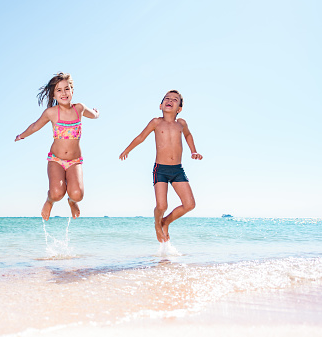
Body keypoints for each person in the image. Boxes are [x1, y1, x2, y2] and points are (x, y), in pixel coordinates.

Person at [119, 90, 202, 243]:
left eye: (175, 99)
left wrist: (194, 151)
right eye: (167, 98)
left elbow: (188, 135)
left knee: (190, 204)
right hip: (161, 170)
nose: (170, 100)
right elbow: (141, 137)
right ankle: (158, 223)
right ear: (160, 105)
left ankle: (166, 221)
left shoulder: (181, 123)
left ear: (179, 109)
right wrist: (127, 150)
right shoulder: (156, 122)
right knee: (162, 205)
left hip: (178, 170)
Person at [15, 72, 99, 220]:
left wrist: (97, 114)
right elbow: (35, 126)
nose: (64, 93)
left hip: (75, 161)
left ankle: (71, 202)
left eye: (67, 89)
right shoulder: (51, 113)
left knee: (78, 195)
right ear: (54, 95)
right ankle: (49, 201)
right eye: (59, 90)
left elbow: (93, 114)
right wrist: (22, 135)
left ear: (72, 90)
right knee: (56, 193)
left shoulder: (79, 108)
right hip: (56, 159)